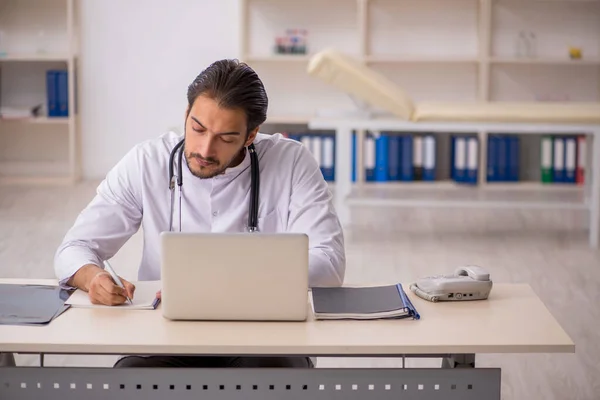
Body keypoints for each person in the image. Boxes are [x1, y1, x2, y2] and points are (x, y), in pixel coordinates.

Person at [53, 58, 346, 369]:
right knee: (132, 377)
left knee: (275, 374)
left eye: (226, 138)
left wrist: (232, 284)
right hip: (166, 334)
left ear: (250, 136)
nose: (205, 149)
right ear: (186, 115)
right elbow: (74, 249)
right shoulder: (146, 162)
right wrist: (93, 277)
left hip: (265, 334)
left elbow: (328, 262)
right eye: (198, 128)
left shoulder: (292, 162)